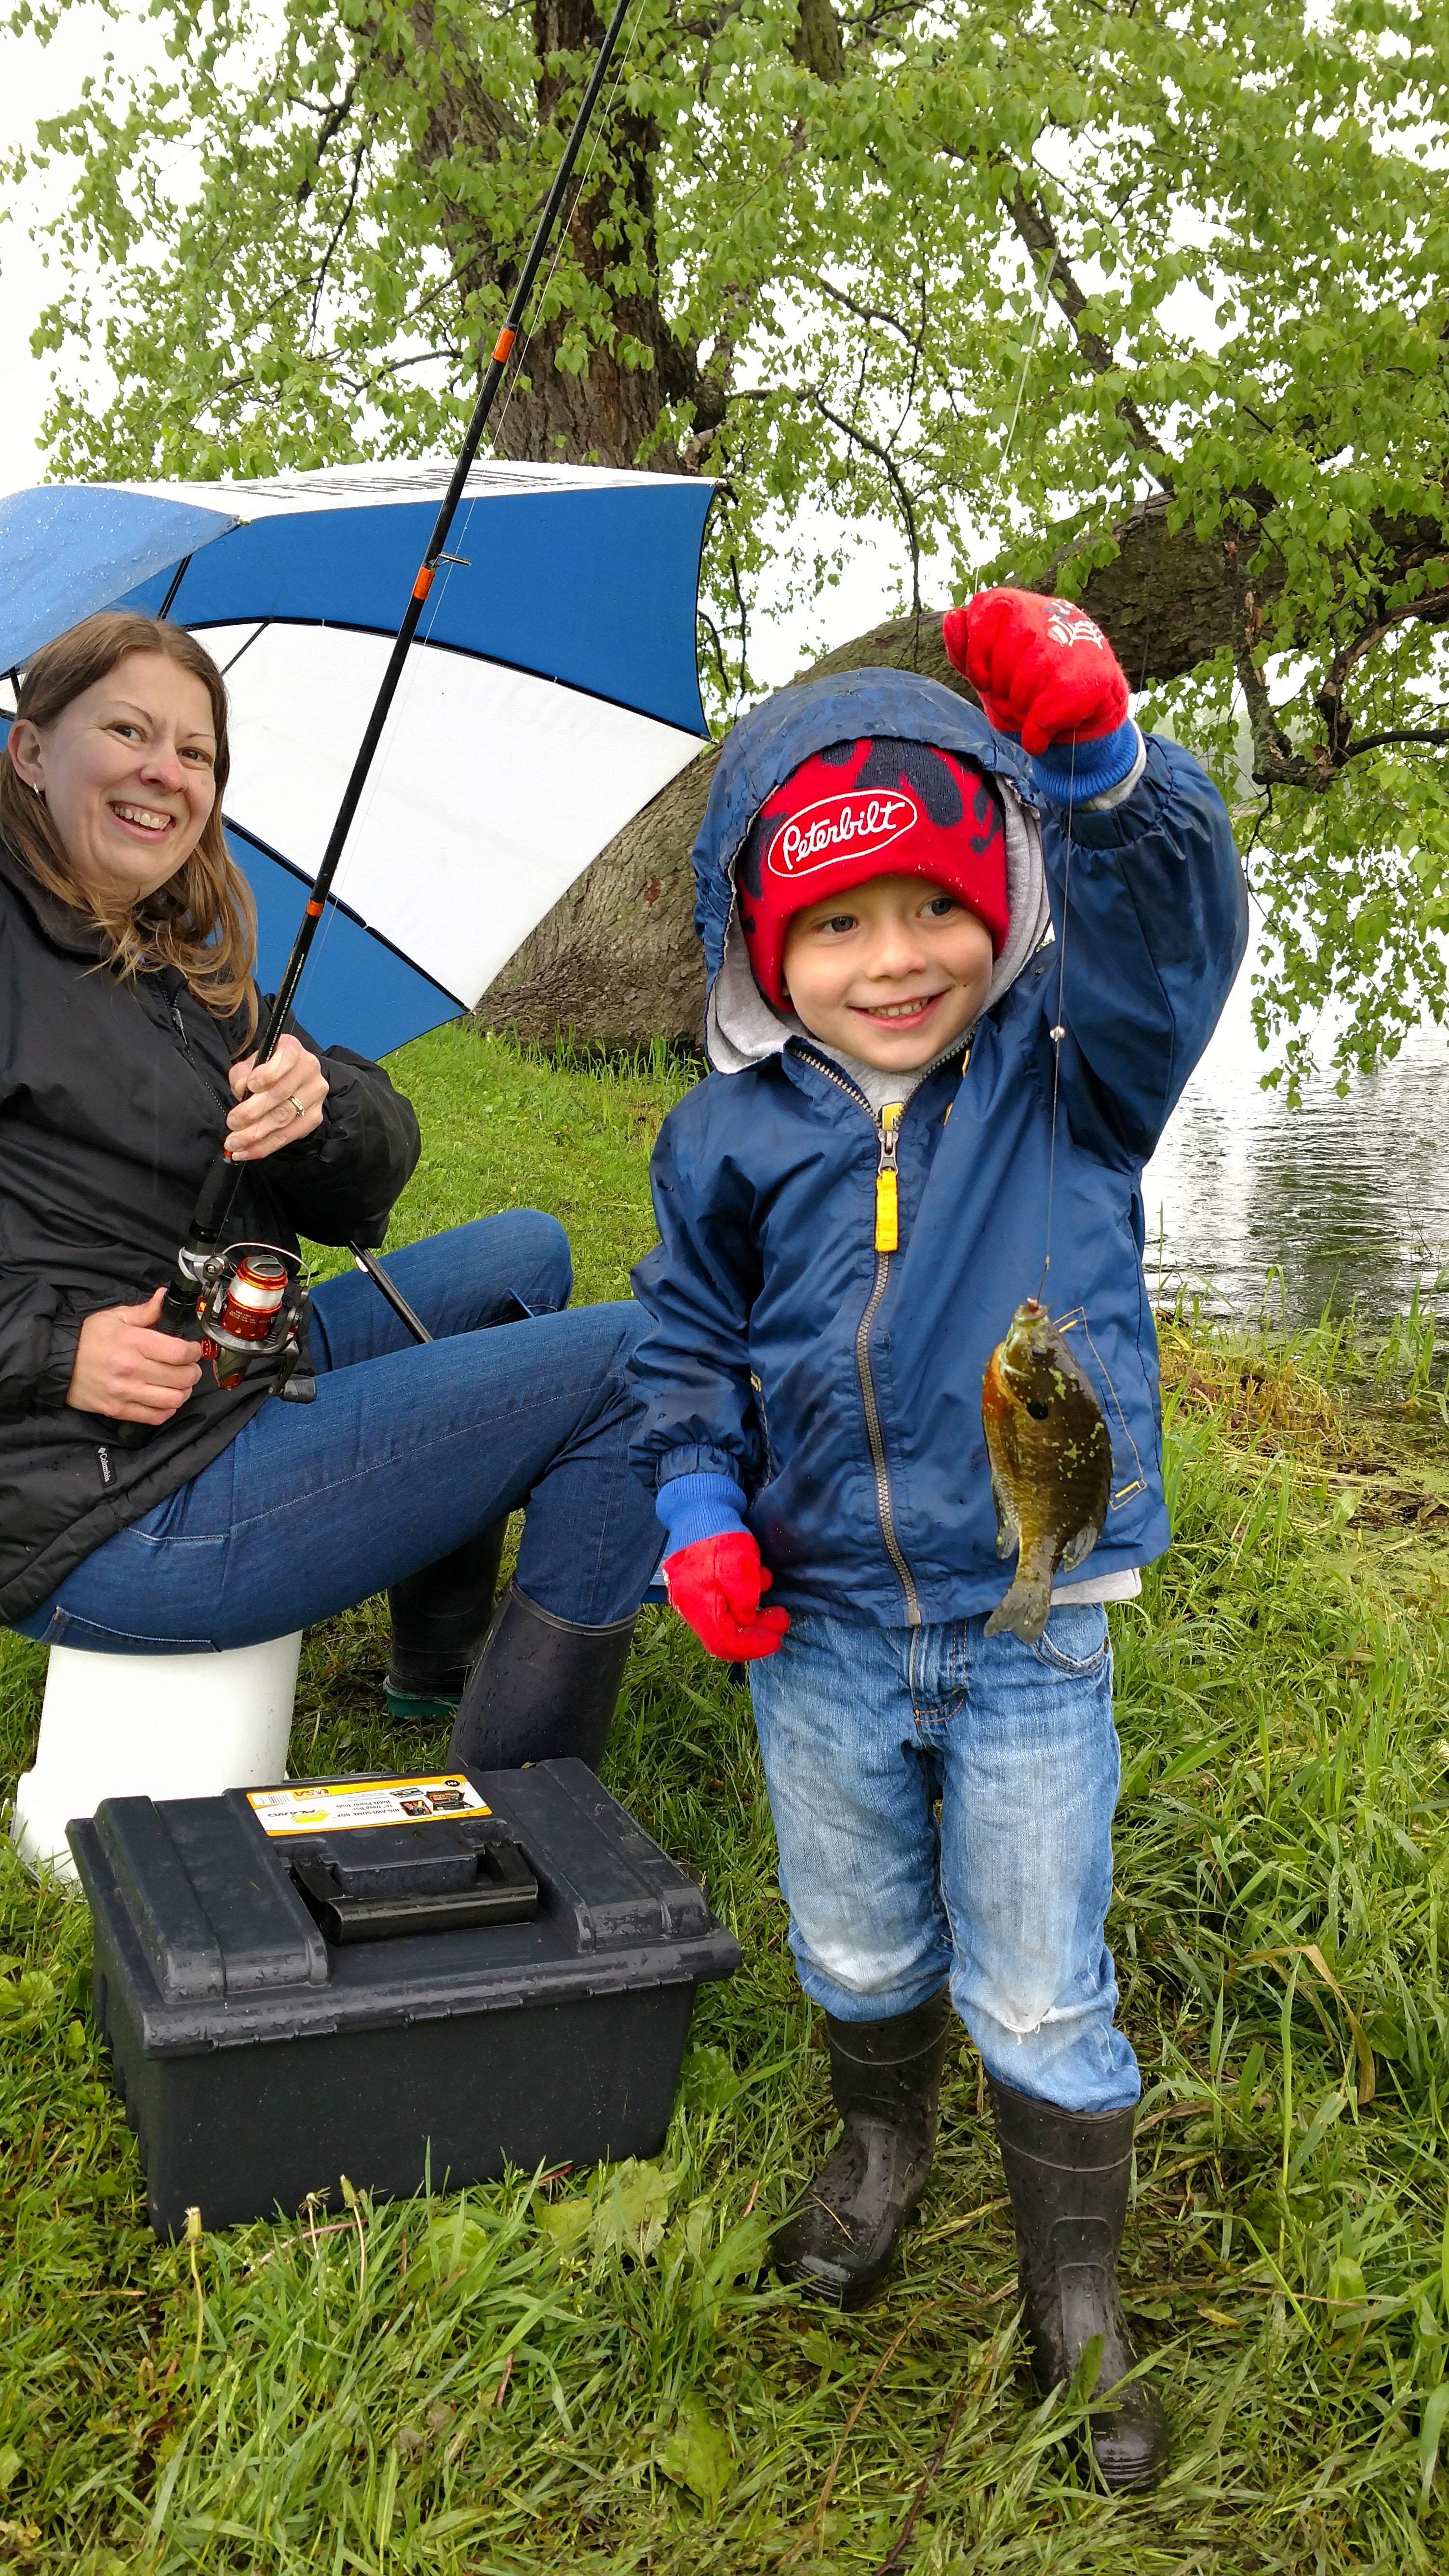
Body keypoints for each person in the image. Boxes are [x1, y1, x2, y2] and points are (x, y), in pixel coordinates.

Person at [627, 589, 1248, 2489]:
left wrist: (1101, 771)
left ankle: (1076, 2290)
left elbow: (1171, 930)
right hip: (810, 1624)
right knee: (854, 1917)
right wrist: (696, 1504)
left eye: (932, 906)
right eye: (833, 922)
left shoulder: (1074, 1077)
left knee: (1040, 1963)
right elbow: (683, 1342)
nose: (892, 959)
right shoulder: (722, 1138)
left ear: (1002, 903)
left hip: (1027, 1623)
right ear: (763, 941)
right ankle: (880, 2148)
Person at [0, 611, 663, 1766]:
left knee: (528, 1249)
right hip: (119, 1504)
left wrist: (322, 1105)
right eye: (128, 730)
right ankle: (529, 1797)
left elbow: (360, 1195)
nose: (167, 771)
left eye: (197, 752)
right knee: (638, 1360)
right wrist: (57, 1351)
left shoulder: (181, 963)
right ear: (30, 750)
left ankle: (435, 1661)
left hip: (234, 1370)